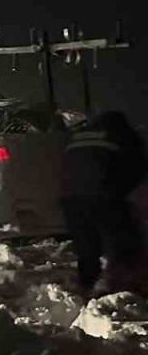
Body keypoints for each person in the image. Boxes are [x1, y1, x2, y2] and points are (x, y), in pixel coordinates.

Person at [60, 111, 148, 296]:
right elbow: (139, 167)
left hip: (70, 198)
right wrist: (124, 193)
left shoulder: (78, 136)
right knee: (121, 244)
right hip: (104, 196)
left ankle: (86, 286)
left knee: (86, 247)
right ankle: (123, 290)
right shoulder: (122, 135)